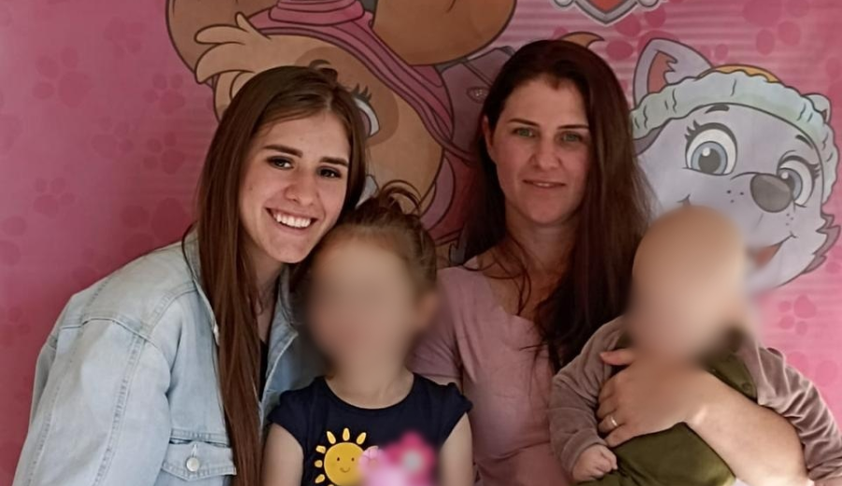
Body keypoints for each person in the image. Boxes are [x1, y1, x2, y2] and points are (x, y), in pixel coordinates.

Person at [411, 39, 813, 486]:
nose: (545, 159)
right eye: (524, 132)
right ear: (489, 138)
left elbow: (791, 474)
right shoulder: (448, 299)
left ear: (604, 149)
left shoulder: (667, 271)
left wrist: (697, 398)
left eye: (572, 137)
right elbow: (426, 468)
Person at [13, 66, 368, 486]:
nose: (304, 193)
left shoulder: (323, 324)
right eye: (281, 161)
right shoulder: (137, 319)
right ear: (233, 164)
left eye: (329, 172)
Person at [551, 206, 842, 486]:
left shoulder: (750, 359)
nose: (656, 325)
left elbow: (807, 406)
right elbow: (569, 390)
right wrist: (580, 445)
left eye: (677, 316)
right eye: (648, 303)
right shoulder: (615, 338)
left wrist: (832, 469)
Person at [263, 188, 473, 486]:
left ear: (419, 308)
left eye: (372, 295)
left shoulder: (445, 416)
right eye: (333, 292)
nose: (350, 313)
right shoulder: (295, 419)